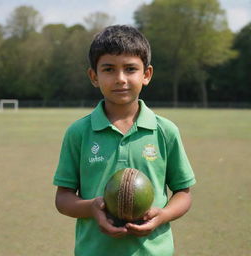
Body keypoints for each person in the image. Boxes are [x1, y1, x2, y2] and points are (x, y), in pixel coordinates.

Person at [53, 25, 196, 256]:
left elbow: (183, 193)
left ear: (146, 74)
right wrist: (91, 207)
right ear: (94, 76)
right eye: (109, 69)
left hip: (154, 251)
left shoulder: (165, 130)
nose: (120, 79)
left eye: (130, 69)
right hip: (95, 251)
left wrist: (163, 215)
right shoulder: (78, 132)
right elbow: (63, 198)